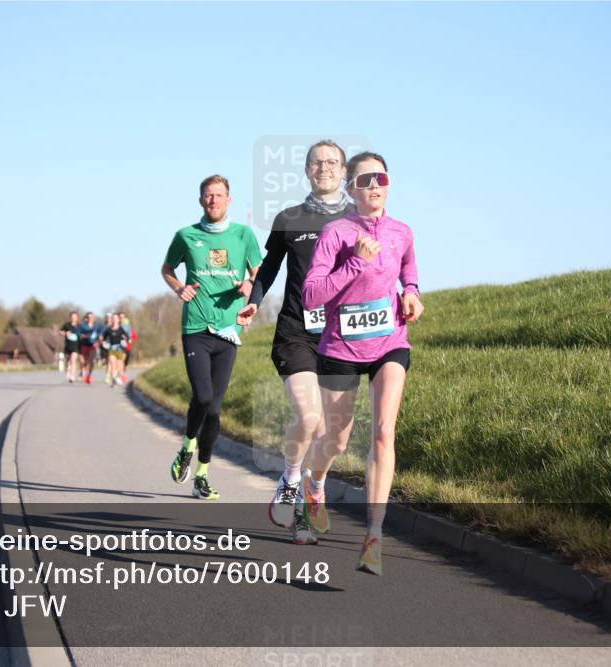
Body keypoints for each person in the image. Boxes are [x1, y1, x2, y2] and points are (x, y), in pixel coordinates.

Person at [301, 151, 424, 575]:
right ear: (350, 188)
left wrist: (412, 293)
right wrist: (356, 262)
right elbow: (312, 295)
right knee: (336, 440)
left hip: (390, 341)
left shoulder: (402, 232)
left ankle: (373, 536)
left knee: (384, 432)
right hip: (340, 348)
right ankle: (314, 486)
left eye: (381, 178)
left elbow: (409, 272)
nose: (374, 185)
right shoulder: (336, 233)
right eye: (365, 179)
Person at [237, 139, 354, 545]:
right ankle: (290, 480)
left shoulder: (360, 219)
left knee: (334, 436)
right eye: (317, 162)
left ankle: (313, 487)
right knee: (309, 419)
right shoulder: (290, 217)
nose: (325, 167)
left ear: (343, 172)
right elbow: (269, 268)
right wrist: (254, 301)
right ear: (306, 171)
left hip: (342, 337)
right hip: (296, 331)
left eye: (332, 162)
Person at [161, 174, 262, 500]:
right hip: (196, 328)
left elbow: (258, 274)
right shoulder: (186, 236)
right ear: (201, 200)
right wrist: (180, 288)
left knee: (215, 411)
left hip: (228, 330)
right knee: (202, 397)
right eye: (208, 196)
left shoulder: (244, 235)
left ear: (228, 200)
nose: (213, 200)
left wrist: (249, 287)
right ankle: (187, 446)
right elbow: (166, 268)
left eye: (219, 195)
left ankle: (202, 475)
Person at [78, 311, 100, 385]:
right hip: (84, 345)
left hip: (92, 345)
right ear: (86, 318)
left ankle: (89, 375)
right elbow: (78, 333)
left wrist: (100, 338)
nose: (90, 318)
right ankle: (84, 372)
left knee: (91, 360)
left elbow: (101, 333)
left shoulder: (97, 326)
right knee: (84, 362)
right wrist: (83, 336)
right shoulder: (82, 325)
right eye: (89, 317)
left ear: (94, 318)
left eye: (92, 317)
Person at [60, 311, 81, 383]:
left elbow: (82, 334)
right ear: (70, 318)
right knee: (67, 361)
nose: (73, 318)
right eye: (72, 317)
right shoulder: (66, 325)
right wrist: (65, 333)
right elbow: (60, 332)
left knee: (73, 360)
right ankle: (68, 369)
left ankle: (72, 376)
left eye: (75, 317)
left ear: (77, 318)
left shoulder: (79, 326)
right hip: (68, 346)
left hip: (76, 346)